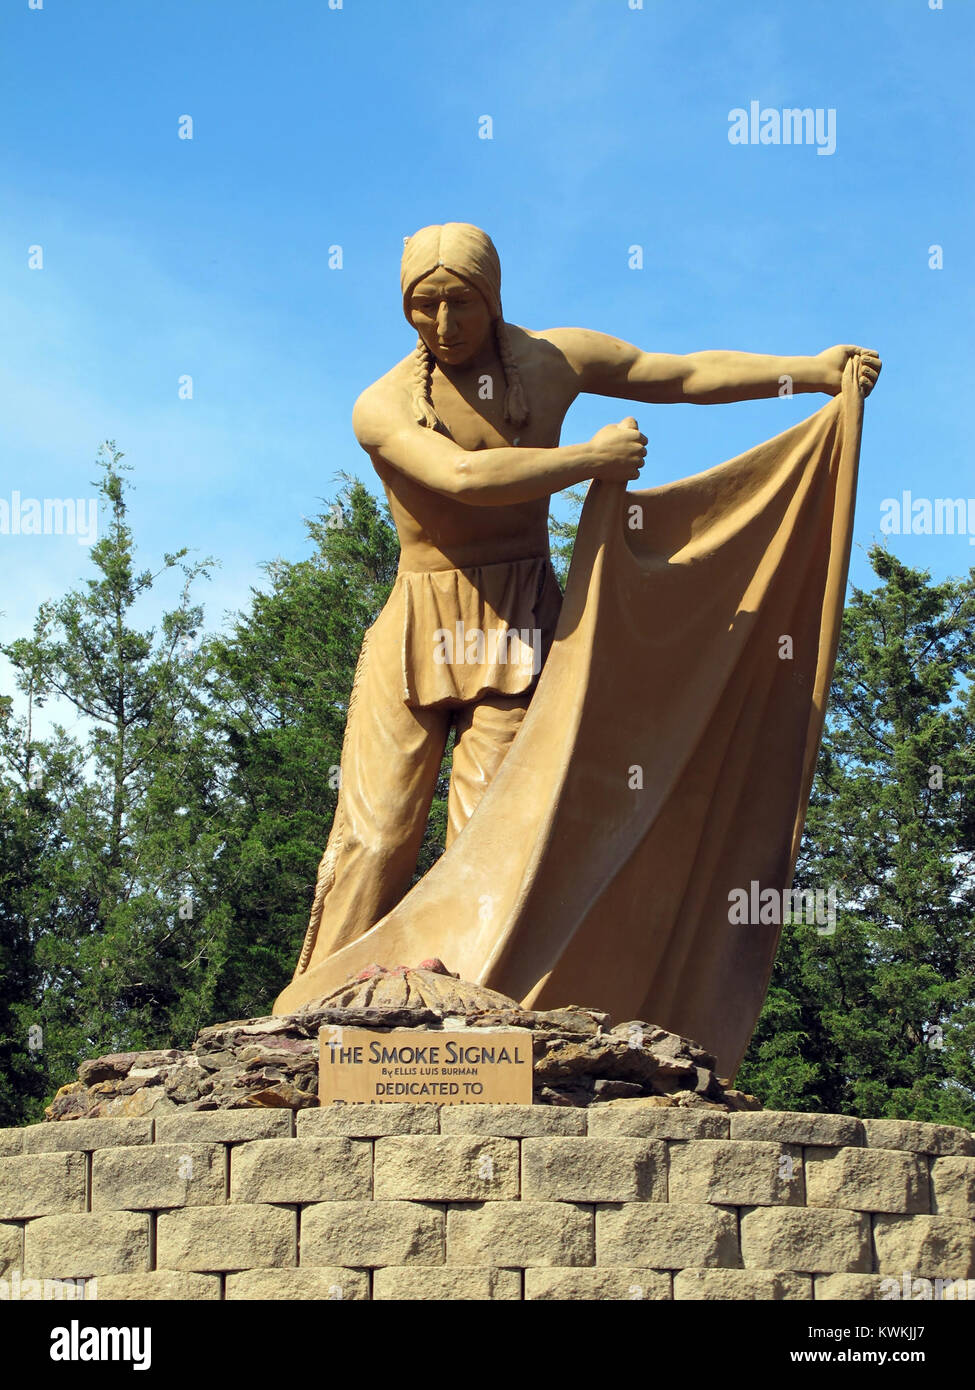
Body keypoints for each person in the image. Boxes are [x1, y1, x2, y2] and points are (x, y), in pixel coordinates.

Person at [292, 220, 880, 980]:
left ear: (492, 298)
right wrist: (590, 459)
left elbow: (676, 374)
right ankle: (317, 1003)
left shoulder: (552, 360)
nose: (443, 323)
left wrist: (810, 371)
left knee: (491, 832)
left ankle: (467, 992)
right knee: (374, 838)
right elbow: (461, 478)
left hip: (520, 620)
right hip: (419, 623)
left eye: (460, 303)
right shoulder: (381, 405)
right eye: (423, 306)